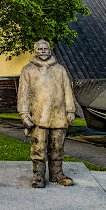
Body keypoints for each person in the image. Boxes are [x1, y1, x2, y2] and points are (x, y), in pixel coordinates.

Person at [18, 39, 76, 188]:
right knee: (38, 148)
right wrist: (24, 115)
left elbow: (67, 91)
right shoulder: (27, 70)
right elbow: (23, 95)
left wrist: (70, 110)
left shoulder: (60, 70)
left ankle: (57, 174)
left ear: (49, 50)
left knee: (57, 147)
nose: (43, 51)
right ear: (35, 50)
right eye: (39, 48)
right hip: (38, 117)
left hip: (59, 115)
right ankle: (38, 176)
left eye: (45, 48)